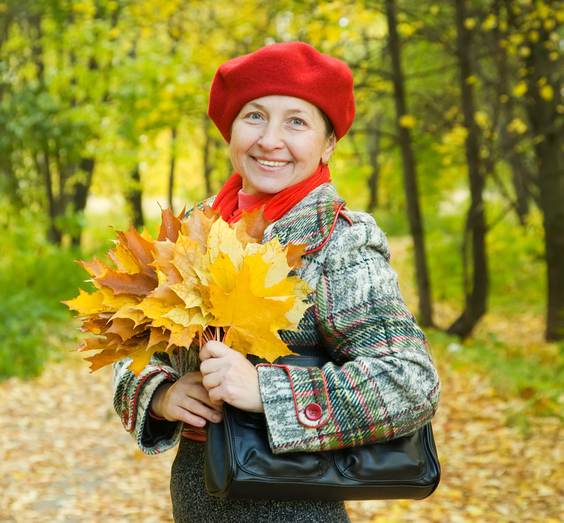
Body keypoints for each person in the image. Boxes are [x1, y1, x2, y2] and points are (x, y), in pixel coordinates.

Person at [112, 41, 440, 522]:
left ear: (328, 143)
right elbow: (138, 354)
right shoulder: (194, 231)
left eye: (296, 122)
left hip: (295, 505)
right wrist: (160, 394)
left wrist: (267, 391)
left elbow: (411, 381)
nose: (269, 140)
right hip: (196, 499)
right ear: (230, 131)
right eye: (254, 116)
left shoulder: (336, 242)